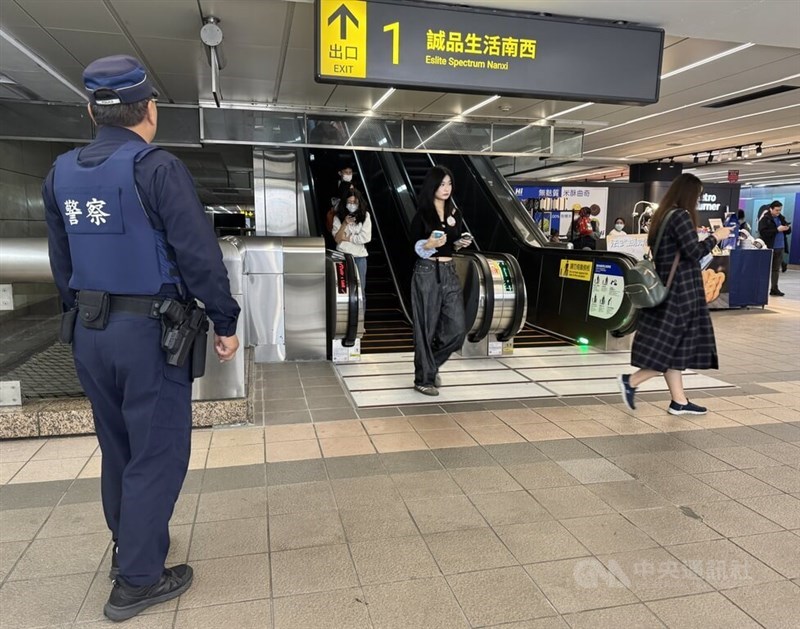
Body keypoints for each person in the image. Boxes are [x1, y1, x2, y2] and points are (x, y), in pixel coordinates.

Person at [42, 55, 240, 622]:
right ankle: (136, 581)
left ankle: (131, 546)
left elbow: (62, 262)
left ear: (90, 111)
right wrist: (224, 321)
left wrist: (78, 318)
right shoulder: (156, 168)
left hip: (89, 330)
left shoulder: (60, 173)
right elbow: (198, 255)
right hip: (150, 335)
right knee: (157, 452)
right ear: (149, 110)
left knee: (119, 448)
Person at [618, 174, 731, 416]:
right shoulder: (680, 216)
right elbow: (693, 252)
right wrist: (716, 237)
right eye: (698, 195)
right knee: (671, 347)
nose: (699, 201)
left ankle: (678, 401)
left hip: (669, 290)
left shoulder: (663, 216)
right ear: (690, 194)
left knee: (675, 347)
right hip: (680, 293)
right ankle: (632, 381)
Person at [410, 166, 472, 395]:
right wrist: (428, 245)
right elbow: (412, 245)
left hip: (450, 271)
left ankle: (430, 364)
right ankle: (423, 379)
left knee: (457, 330)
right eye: (442, 184)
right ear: (432, 186)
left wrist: (458, 243)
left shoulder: (455, 212)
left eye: (449, 184)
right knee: (425, 327)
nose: (446, 189)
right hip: (427, 272)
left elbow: (452, 241)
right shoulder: (423, 213)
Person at [332, 186, 372, 289]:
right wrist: (345, 223)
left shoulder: (365, 216)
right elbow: (337, 239)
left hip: (359, 257)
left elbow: (365, 238)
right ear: (344, 202)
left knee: (360, 290)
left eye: (355, 202)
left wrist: (348, 238)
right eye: (349, 202)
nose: (352, 205)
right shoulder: (338, 217)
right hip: (341, 256)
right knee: (342, 289)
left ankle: (361, 306)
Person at [758, 200, 791, 296]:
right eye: (776, 210)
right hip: (769, 247)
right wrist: (777, 230)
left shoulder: (781, 218)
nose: (778, 212)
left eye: (780, 210)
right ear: (771, 209)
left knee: (776, 269)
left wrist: (787, 228)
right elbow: (763, 233)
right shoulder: (765, 219)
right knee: (765, 269)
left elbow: (788, 231)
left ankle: (774, 288)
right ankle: (761, 288)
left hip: (779, 246)